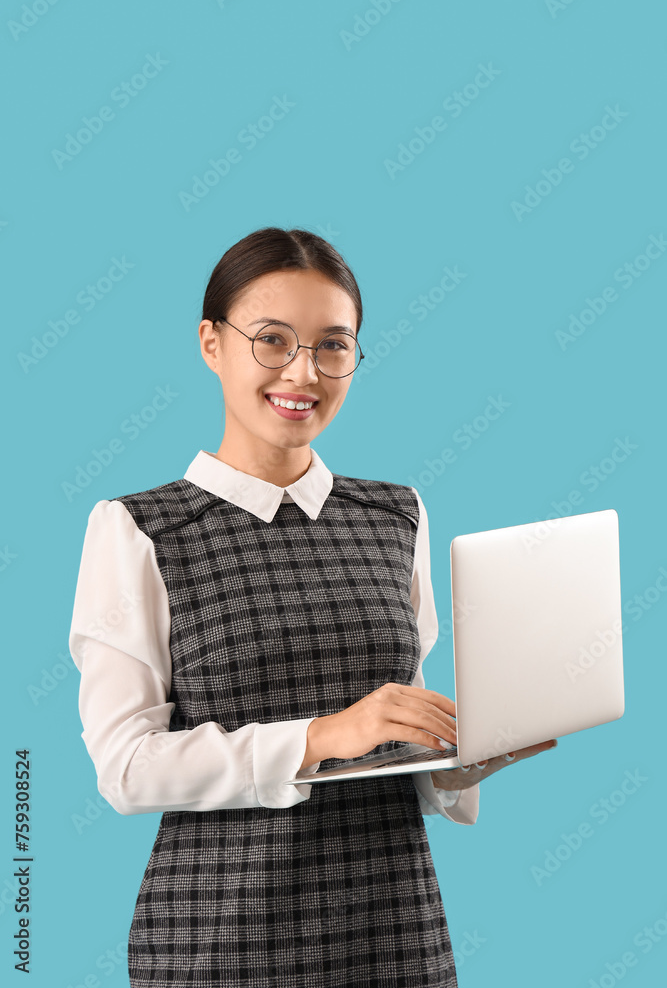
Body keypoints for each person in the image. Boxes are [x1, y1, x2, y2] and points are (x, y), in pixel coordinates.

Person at [69, 227, 556, 987]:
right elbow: (126, 768)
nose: (304, 372)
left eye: (333, 345)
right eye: (272, 340)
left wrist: (458, 761)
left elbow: (398, 736)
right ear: (211, 343)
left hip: (395, 929)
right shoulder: (140, 529)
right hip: (222, 942)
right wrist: (324, 734)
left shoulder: (396, 516)